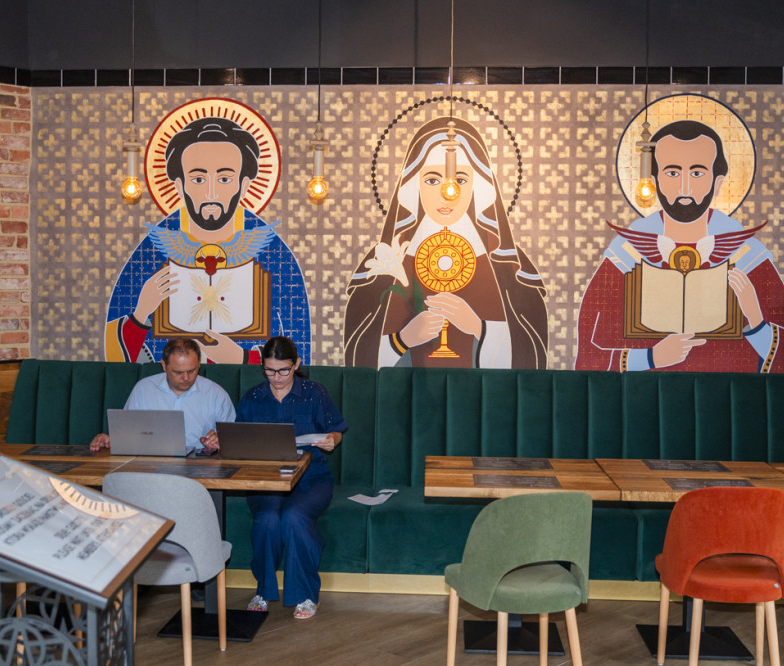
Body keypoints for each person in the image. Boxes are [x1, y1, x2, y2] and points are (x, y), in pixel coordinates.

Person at [576, 120, 784, 373]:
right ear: (654, 180)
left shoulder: (747, 255)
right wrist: (651, 358)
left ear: (718, 182)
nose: (685, 188)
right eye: (672, 173)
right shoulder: (625, 254)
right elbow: (589, 352)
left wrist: (755, 318)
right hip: (647, 391)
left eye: (697, 173)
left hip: (722, 392)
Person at [104, 115, 311, 365]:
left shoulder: (274, 254)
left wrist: (243, 358)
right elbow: (114, 357)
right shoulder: (151, 251)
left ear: (244, 185)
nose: (211, 193)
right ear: (179, 185)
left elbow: (299, 348)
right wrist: (140, 314)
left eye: (224, 179)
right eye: (198, 180)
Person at [343, 116, 548, 368]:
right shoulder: (386, 258)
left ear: (477, 185)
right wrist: (402, 339)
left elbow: (530, 350)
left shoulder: (506, 261)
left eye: (460, 180)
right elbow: (358, 350)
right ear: (414, 183)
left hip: (481, 392)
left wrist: (478, 326)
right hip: (409, 390)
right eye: (432, 180)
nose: (446, 193)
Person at [237, 336, 347, 619]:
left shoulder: (314, 393)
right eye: (269, 370)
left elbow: (336, 429)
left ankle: (305, 594)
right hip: (266, 481)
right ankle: (263, 590)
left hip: (312, 477)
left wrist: (332, 440)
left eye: (284, 370)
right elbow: (238, 441)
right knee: (268, 519)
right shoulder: (252, 398)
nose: (277, 378)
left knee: (295, 517)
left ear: (296, 364)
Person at [89, 338, 235, 453]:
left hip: (201, 466)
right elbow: (126, 433)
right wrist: (109, 440)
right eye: (178, 372)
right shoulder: (143, 389)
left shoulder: (216, 395)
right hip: (151, 464)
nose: (186, 378)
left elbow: (234, 441)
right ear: (164, 366)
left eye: (192, 371)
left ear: (199, 364)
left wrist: (220, 442)